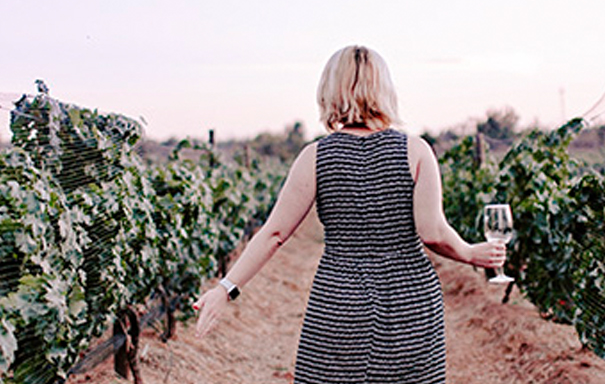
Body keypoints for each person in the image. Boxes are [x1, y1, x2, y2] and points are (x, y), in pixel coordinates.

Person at [193, 45, 507, 383]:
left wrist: (225, 289)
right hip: (409, 302)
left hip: (339, 300)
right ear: (385, 90)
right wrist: (470, 253)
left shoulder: (314, 156)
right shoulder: (416, 151)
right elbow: (432, 232)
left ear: (329, 91)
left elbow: (274, 233)